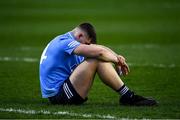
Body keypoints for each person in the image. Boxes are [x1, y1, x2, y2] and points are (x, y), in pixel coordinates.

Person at [39, 23, 157, 106]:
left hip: (64, 90)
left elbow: (99, 48)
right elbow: (99, 52)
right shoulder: (64, 42)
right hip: (59, 96)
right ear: (80, 36)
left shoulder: (66, 40)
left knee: (97, 56)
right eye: (86, 44)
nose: (86, 46)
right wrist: (117, 61)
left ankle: (128, 97)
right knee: (96, 58)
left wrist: (116, 56)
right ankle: (129, 97)